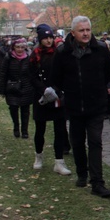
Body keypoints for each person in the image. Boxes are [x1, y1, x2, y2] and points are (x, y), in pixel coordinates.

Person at [51, 16, 110, 198]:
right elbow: (56, 78)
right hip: (73, 106)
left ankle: (97, 182)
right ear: (73, 33)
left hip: (96, 106)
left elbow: (109, 72)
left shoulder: (101, 50)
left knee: (95, 142)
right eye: (82, 30)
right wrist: (61, 94)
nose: (86, 33)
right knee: (77, 142)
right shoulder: (63, 52)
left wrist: (107, 88)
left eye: (88, 30)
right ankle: (82, 173)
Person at [28, 24, 71, 175]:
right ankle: (38, 156)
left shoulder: (58, 53)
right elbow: (31, 76)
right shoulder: (35, 55)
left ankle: (59, 161)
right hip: (41, 96)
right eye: (45, 38)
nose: (48, 41)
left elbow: (64, 73)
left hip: (57, 95)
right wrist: (43, 90)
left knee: (60, 129)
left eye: (50, 37)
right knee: (40, 129)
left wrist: (57, 89)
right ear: (40, 39)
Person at [0, 37, 35, 139]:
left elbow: (32, 73)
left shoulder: (29, 57)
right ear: (13, 47)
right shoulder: (8, 58)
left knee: (25, 110)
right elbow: (3, 73)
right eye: (17, 47)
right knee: (13, 108)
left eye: (22, 47)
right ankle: (16, 127)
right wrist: (2, 89)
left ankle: (24, 130)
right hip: (12, 87)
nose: (20, 49)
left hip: (26, 87)